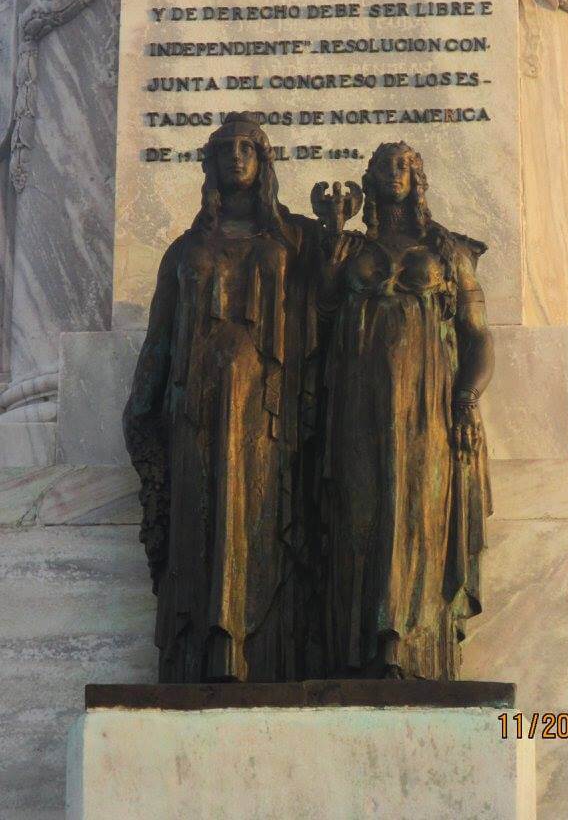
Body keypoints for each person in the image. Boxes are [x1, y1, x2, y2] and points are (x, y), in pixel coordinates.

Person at [123, 114, 320, 682]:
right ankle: (201, 651)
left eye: (246, 148)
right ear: (210, 164)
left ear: (262, 162)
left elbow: (335, 295)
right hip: (195, 407)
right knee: (200, 517)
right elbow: (159, 339)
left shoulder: (293, 241)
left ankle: (260, 652)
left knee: (260, 517)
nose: (236, 156)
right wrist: (140, 411)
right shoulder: (185, 250)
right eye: (226, 148)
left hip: (267, 408)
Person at [314, 141, 494, 680]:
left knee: (416, 510)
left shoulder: (448, 251)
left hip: (426, 401)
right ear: (369, 178)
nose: (394, 173)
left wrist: (466, 398)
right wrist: (331, 239)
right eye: (384, 166)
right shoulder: (351, 249)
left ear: (417, 178)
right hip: (357, 398)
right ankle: (359, 646)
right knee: (360, 509)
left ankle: (409, 642)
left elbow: (479, 337)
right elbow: (319, 315)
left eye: (403, 166)